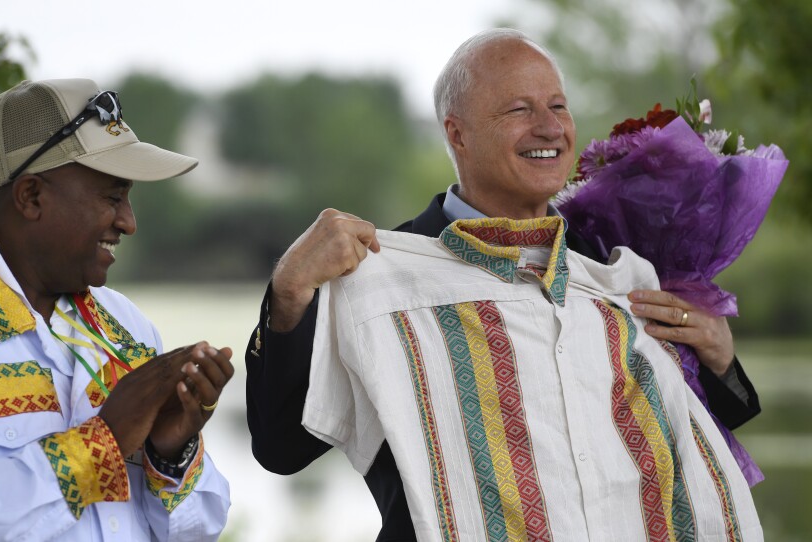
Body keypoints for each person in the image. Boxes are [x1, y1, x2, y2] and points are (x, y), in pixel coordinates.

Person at [245, 29, 761, 540]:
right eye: (519, 110)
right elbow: (281, 448)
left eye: (558, 106)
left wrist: (719, 363)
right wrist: (289, 295)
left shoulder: (607, 266)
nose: (548, 127)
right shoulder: (381, 280)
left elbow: (680, 438)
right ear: (458, 134)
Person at [0, 78, 233, 541]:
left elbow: (197, 530)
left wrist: (169, 451)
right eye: (112, 197)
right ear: (31, 196)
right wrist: (103, 444)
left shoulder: (125, 326)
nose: (129, 222)